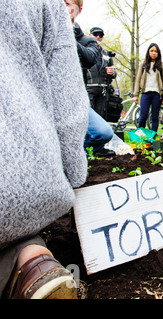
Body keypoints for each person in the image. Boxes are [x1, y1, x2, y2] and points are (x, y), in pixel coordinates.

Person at [0, 0, 89, 299]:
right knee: (20, 231)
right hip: (21, 185)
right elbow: (68, 102)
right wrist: (73, 177)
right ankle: (33, 262)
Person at [66, 0, 114, 156]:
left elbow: (89, 59)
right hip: (54, 99)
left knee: (104, 132)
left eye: (67, 4)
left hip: (81, 95)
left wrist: (66, 35)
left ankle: (80, 154)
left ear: (78, 9)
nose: (62, 8)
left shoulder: (87, 41)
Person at [133, 43, 163, 132]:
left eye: (156, 51)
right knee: (143, 116)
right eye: (152, 51)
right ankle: (139, 135)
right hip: (145, 93)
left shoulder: (162, 65)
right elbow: (137, 80)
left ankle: (152, 137)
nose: (154, 53)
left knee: (154, 117)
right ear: (148, 52)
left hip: (157, 94)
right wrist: (136, 94)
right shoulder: (143, 64)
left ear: (158, 53)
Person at [86, 27, 117, 120]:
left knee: (100, 119)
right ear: (90, 35)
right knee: (88, 118)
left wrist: (112, 73)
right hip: (88, 89)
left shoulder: (107, 55)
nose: (98, 37)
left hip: (103, 91)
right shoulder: (85, 51)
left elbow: (114, 74)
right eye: (95, 34)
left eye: (101, 35)